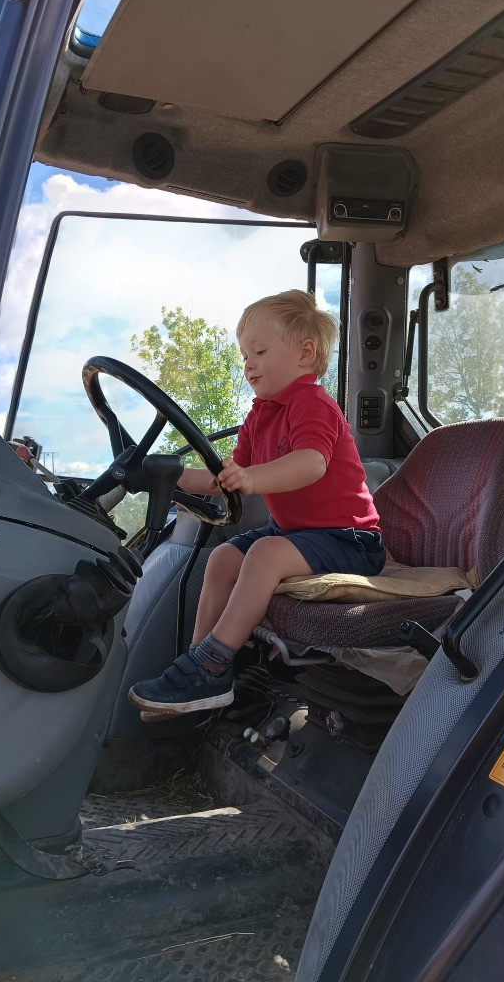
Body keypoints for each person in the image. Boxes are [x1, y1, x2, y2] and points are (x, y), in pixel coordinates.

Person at [128, 289, 385, 718]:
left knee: (264, 553)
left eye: (259, 352)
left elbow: (310, 464)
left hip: (350, 539)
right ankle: (197, 666)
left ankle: (211, 664)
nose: (247, 364)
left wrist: (252, 478)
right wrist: (166, 476)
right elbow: (222, 478)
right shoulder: (259, 414)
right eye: (245, 354)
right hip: (297, 534)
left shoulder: (312, 403)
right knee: (224, 558)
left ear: (305, 354)